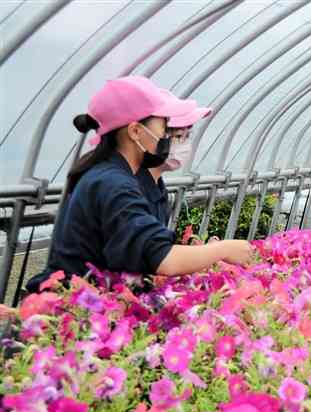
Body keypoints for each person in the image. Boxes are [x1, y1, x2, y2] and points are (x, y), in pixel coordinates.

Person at [26, 76, 251, 294]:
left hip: (90, 302)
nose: (166, 136)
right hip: (75, 309)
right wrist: (221, 250)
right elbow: (160, 257)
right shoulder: (112, 183)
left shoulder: (111, 175)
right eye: (164, 127)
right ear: (135, 131)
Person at [136, 90, 212, 226]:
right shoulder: (134, 189)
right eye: (177, 136)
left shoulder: (158, 187)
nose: (184, 144)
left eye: (187, 136)